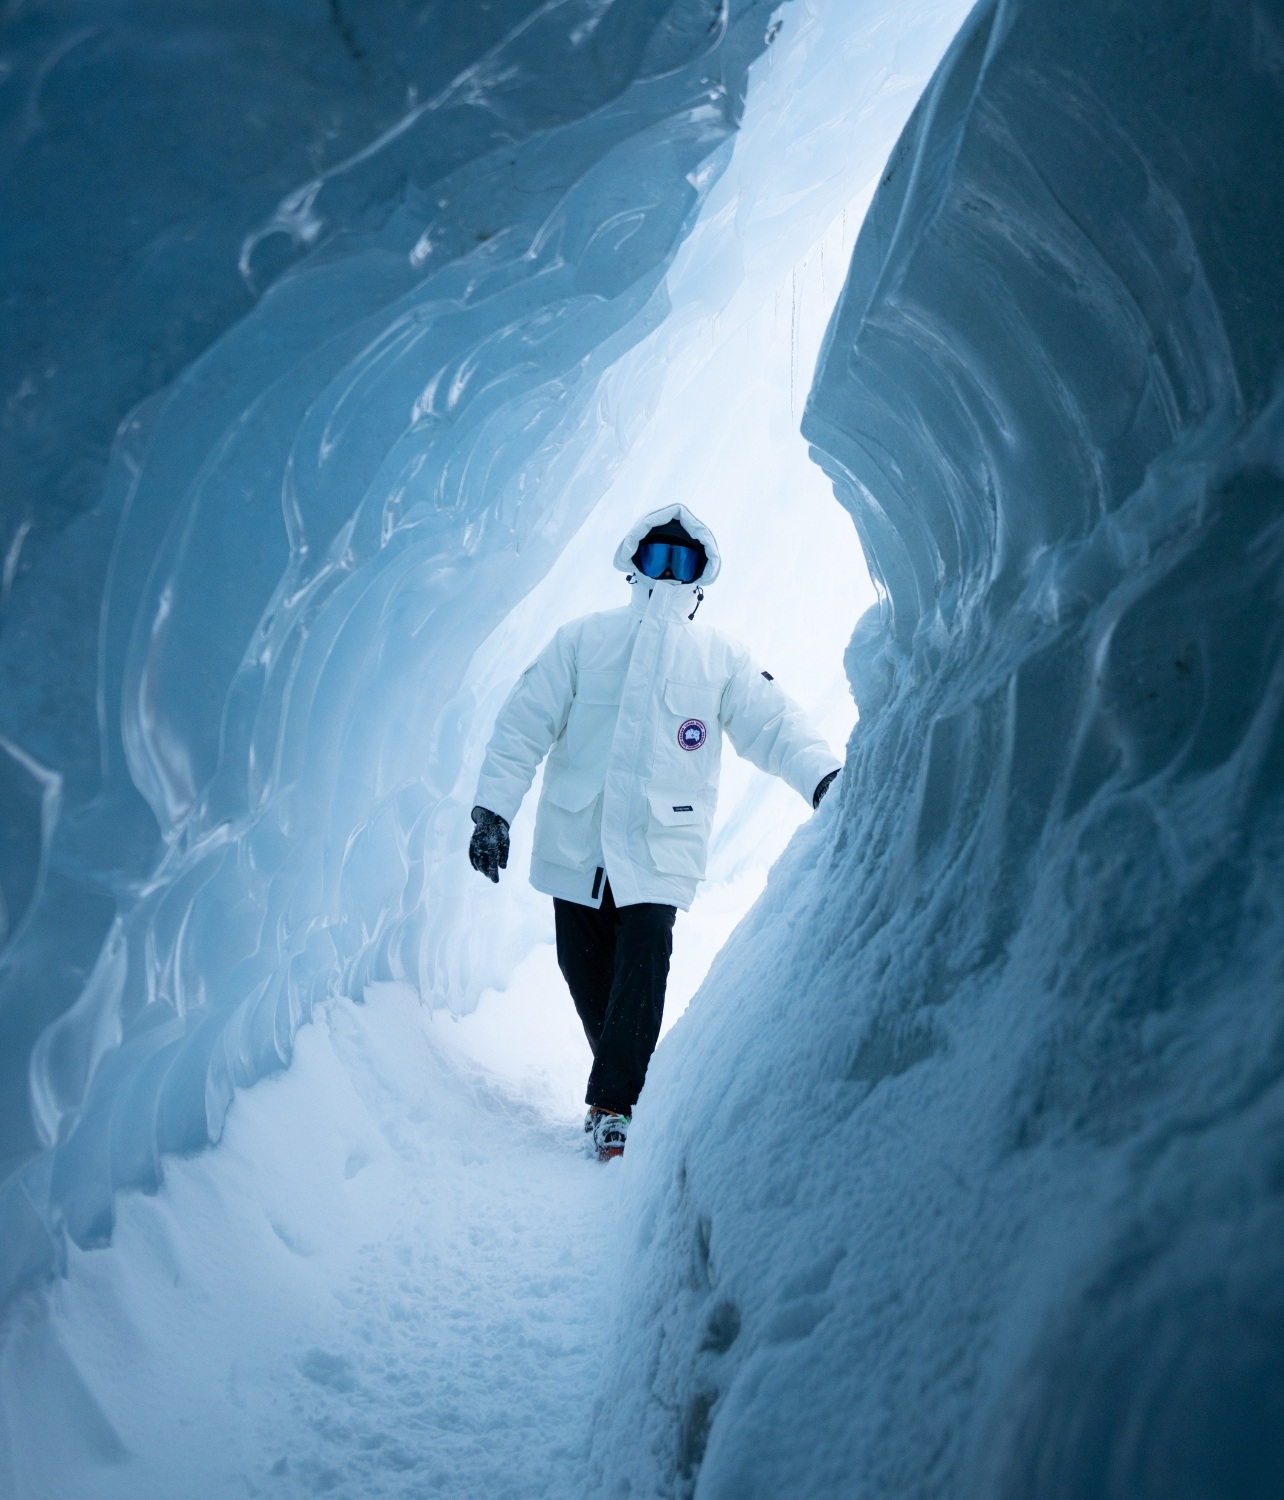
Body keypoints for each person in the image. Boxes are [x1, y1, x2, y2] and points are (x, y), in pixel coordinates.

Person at [468, 506, 842, 1160]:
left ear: (703, 577)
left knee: (642, 969)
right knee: (583, 971)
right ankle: (621, 1087)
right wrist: (493, 809)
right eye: (657, 559)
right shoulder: (583, 641)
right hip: (578, 844)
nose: (668, 574)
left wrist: (824, 779)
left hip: (659, 850)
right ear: (632, 563)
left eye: (683, 562)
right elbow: (525, 722)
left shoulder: (719, 657)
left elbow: (773, 723)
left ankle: (617, 1107)